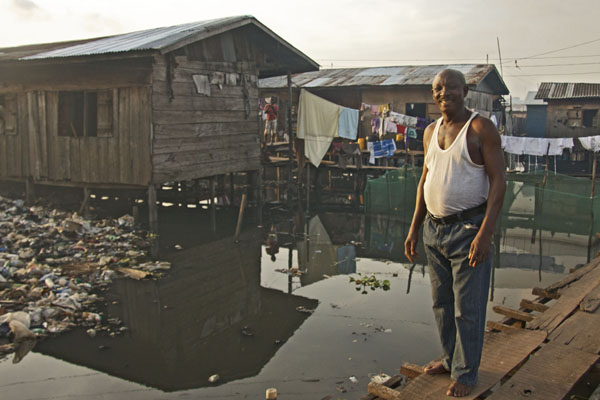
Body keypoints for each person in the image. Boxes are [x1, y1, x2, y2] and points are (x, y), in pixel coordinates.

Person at [404, 69, 506, 397]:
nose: (443, 93)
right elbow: (424, 181)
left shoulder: (480, 128)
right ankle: (450, 359)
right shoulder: (431, 131)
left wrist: (485, 234)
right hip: (435, 230)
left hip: (469, 229)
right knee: (442, 303)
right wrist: (414, 227)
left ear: (464, 90)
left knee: (468, 308)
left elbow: (499, 181)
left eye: (450, 87)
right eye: (437, 88)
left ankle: (466, 374)